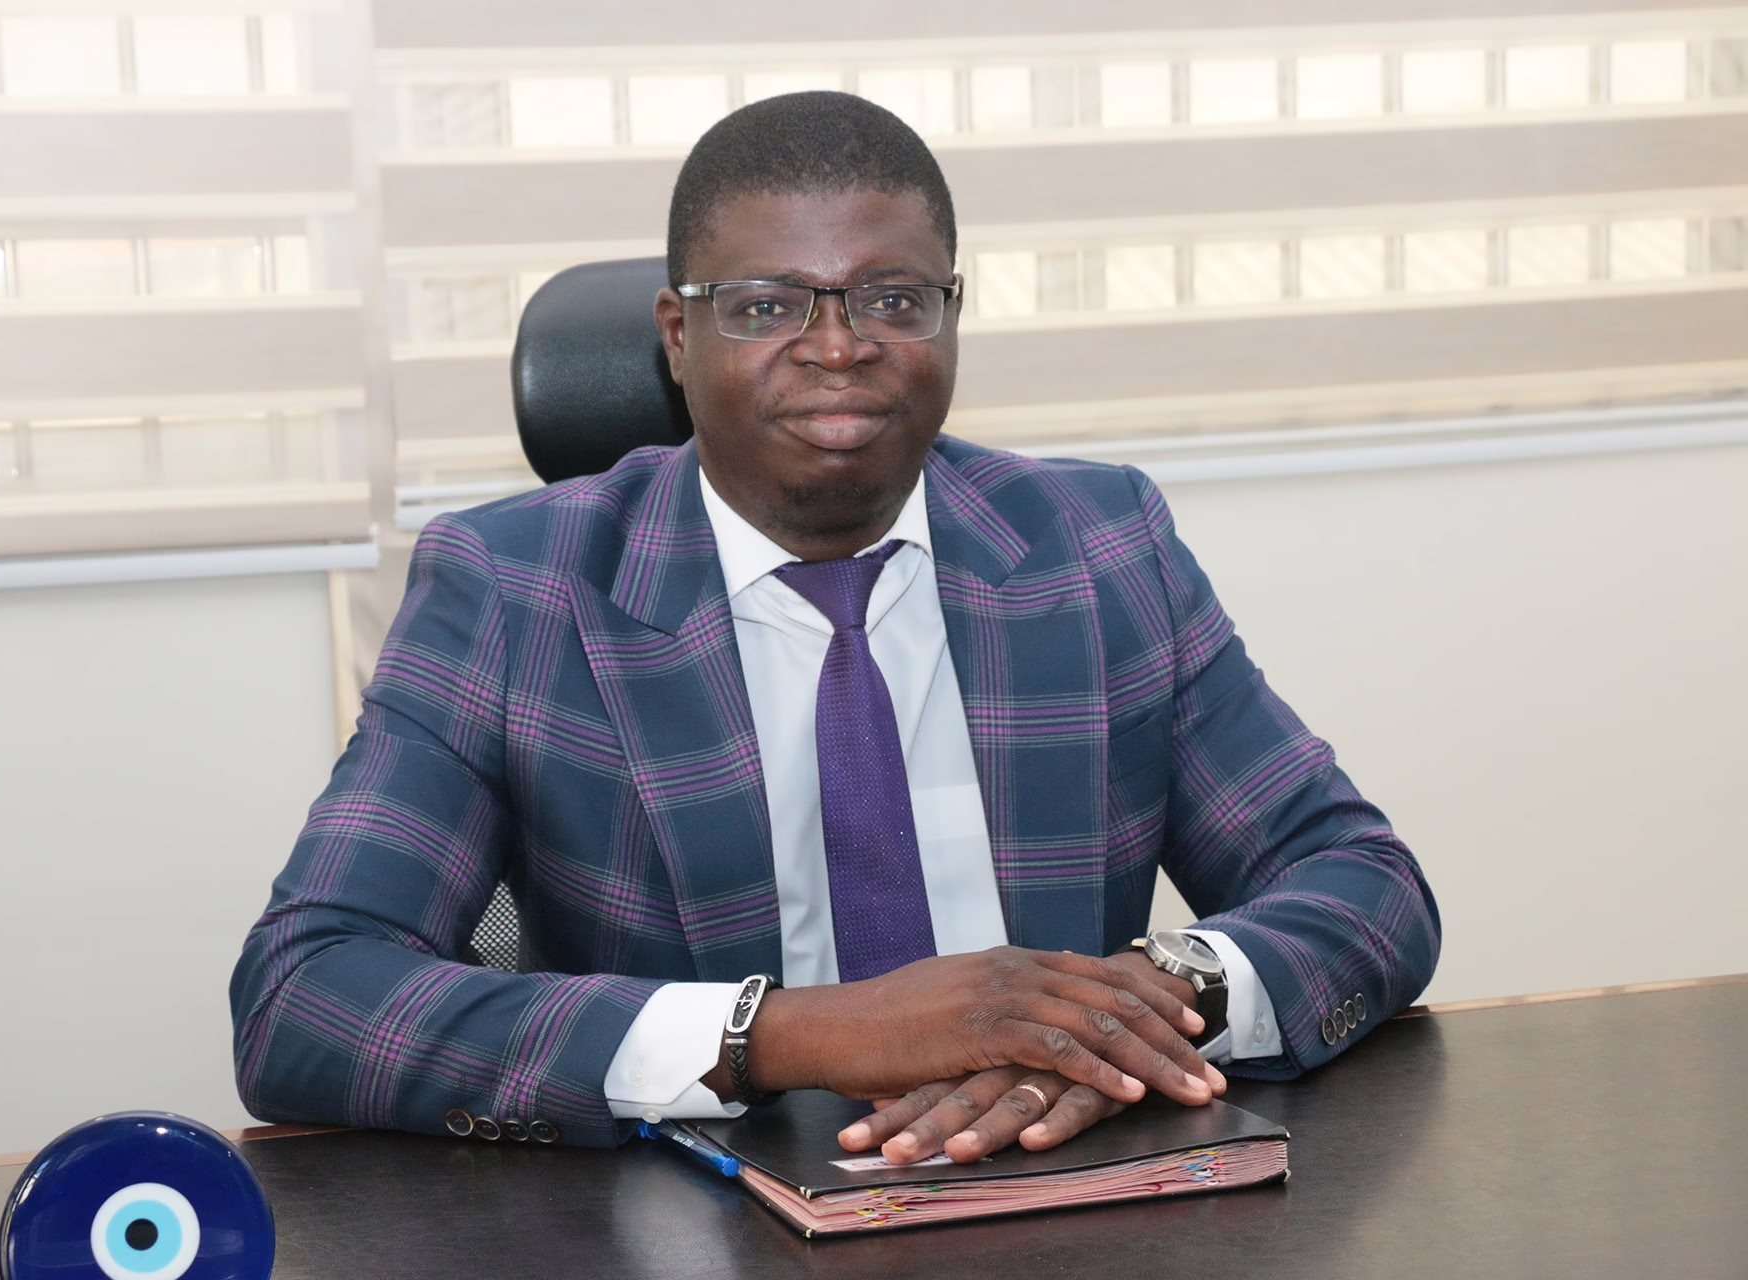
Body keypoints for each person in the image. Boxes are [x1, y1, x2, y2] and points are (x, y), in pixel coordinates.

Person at [230, 91, 1439, 1166]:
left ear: (952, 316)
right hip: (707, 1214)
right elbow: (307, 994)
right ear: (678, 335)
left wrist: (1123, 1010)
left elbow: (1364, 882)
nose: (839, 346)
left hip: (1065, 1181)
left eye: (893, 298)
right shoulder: (515, 589)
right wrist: (797, 1033)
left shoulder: (1098, 543)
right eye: (766, 305)